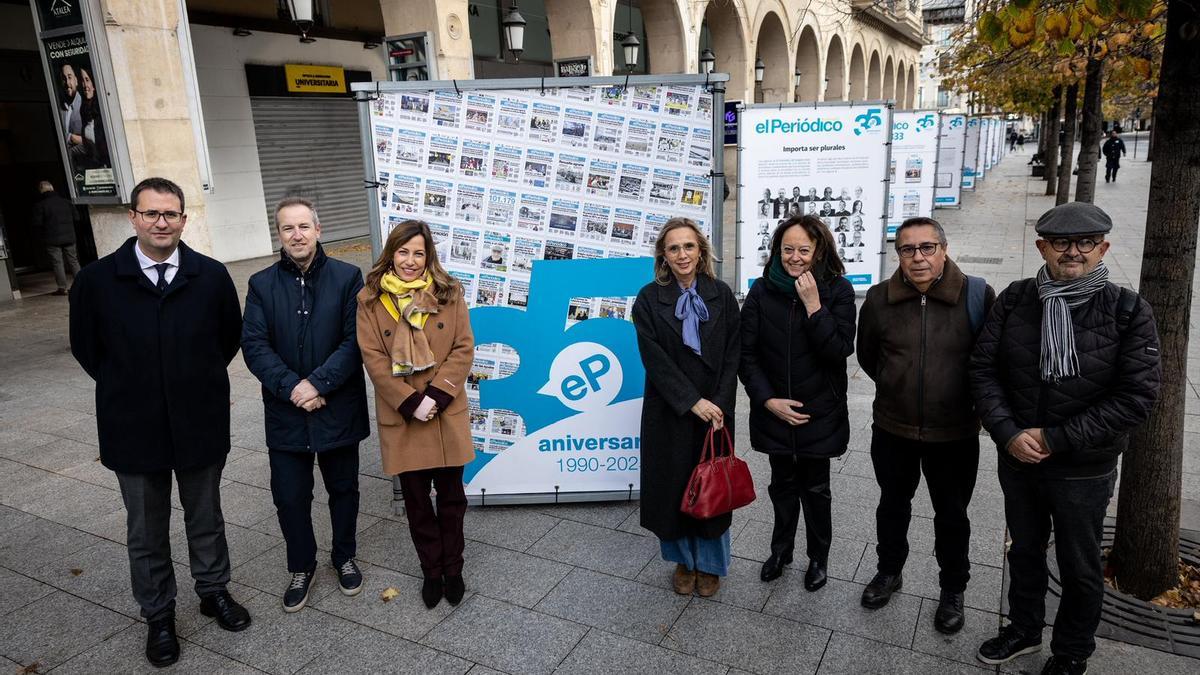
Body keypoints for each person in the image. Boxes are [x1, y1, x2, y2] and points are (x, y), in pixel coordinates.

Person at [970, 203, 1161, 675]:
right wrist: (1008, 433)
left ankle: (1073, 649)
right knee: (1025, 549)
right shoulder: (1015, 299)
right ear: (1043, 247)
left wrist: (1057, 437)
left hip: (1084, 467)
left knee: (1080, 564)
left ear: (1103, 249)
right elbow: (982, 371)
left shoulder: (1128, 310)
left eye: (1085, 243)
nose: (1072, 252)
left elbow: (1136, 397)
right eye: (1061, 243)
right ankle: (1024, 629)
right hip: (1020, 460)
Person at [68, 177, 250, 667]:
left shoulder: (210, 276)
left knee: (206, 517)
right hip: (133, 426)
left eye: (171, 214)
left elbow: (227, 340)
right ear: (133, 217)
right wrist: (135, 386)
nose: (161, 222)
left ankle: (214, 593)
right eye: (151, 213)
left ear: (184, 220)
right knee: (146, 529)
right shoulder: (96, 280)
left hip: (199, 422)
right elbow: (88, 350)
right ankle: (159, 615)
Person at [856, 217, 995, 633]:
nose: (917, 257)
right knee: (892, 505)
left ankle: (953, 589)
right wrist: (898, 384)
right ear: (897, 253)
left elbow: (989, 359)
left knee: (952, 514)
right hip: (893, 428)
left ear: (944, 249)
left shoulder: (976, 294)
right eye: (907, 249)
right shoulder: (880, 298)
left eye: (926, 248)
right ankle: (889, 572)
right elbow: (868, 356)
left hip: (953, 433)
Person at [241, 197, 369, 612]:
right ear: (278, 234)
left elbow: (356, 342)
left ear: (319, 229)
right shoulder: (261, 284)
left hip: (337, 406)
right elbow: (254, 345)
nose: (296, 235)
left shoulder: (349, 277)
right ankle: (301, 565)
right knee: (290, 496)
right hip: (286, 409)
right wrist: (293, 387)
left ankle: (344, 556)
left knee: (344, 488)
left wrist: (318, 383)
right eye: (287, 228)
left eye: (303, 227)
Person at [357, 219, 474, 609]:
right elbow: (373, 359)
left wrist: (437, 395)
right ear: (392, 254)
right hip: (404, 415)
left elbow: (462, 347)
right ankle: (431, 571)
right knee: (417, 502)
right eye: (403, 252)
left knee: (452, 499)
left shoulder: (449, 291)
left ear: (429, 257)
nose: (410, 261)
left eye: (418, 253)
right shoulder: (370, 300)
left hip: (444, 411)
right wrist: (410, 401)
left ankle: (453, 569)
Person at [740, 215, 856, 591]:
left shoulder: (837, 290)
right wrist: (767, 399)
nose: (794, 257)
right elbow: (747, 354)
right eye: (787, 249)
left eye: (803, 250)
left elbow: (839, 349)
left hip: (818, 411)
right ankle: (781, 550)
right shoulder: (761, 290)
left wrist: (813, 306)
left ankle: (818, 558)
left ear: (819, 250)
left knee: (817, 490)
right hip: (774, 410)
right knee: (782, 485)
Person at [632, 217, 740, 598]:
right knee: (674, 486)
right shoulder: (648, 298)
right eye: (674, 248)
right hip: (670, 410)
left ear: (701, 250)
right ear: (664, 254)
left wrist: (719, 405)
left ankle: (710, 565)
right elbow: (654, 358)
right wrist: (691, 401)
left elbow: (733, 353)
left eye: (689, 246)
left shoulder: (722, 295)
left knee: (712, 485)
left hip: (716, 412)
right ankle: (682, 560)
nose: (682, 254)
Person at [31, 181, 79, 295]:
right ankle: (82, 283)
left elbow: (37, 223)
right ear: (52, 189)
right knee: (73, 261)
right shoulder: (66, 202)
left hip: (52, 238)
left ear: (41, 191)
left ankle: (62, 288)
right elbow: (77, 218)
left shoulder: (41, 205)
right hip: (69, 236)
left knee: (58, 263)